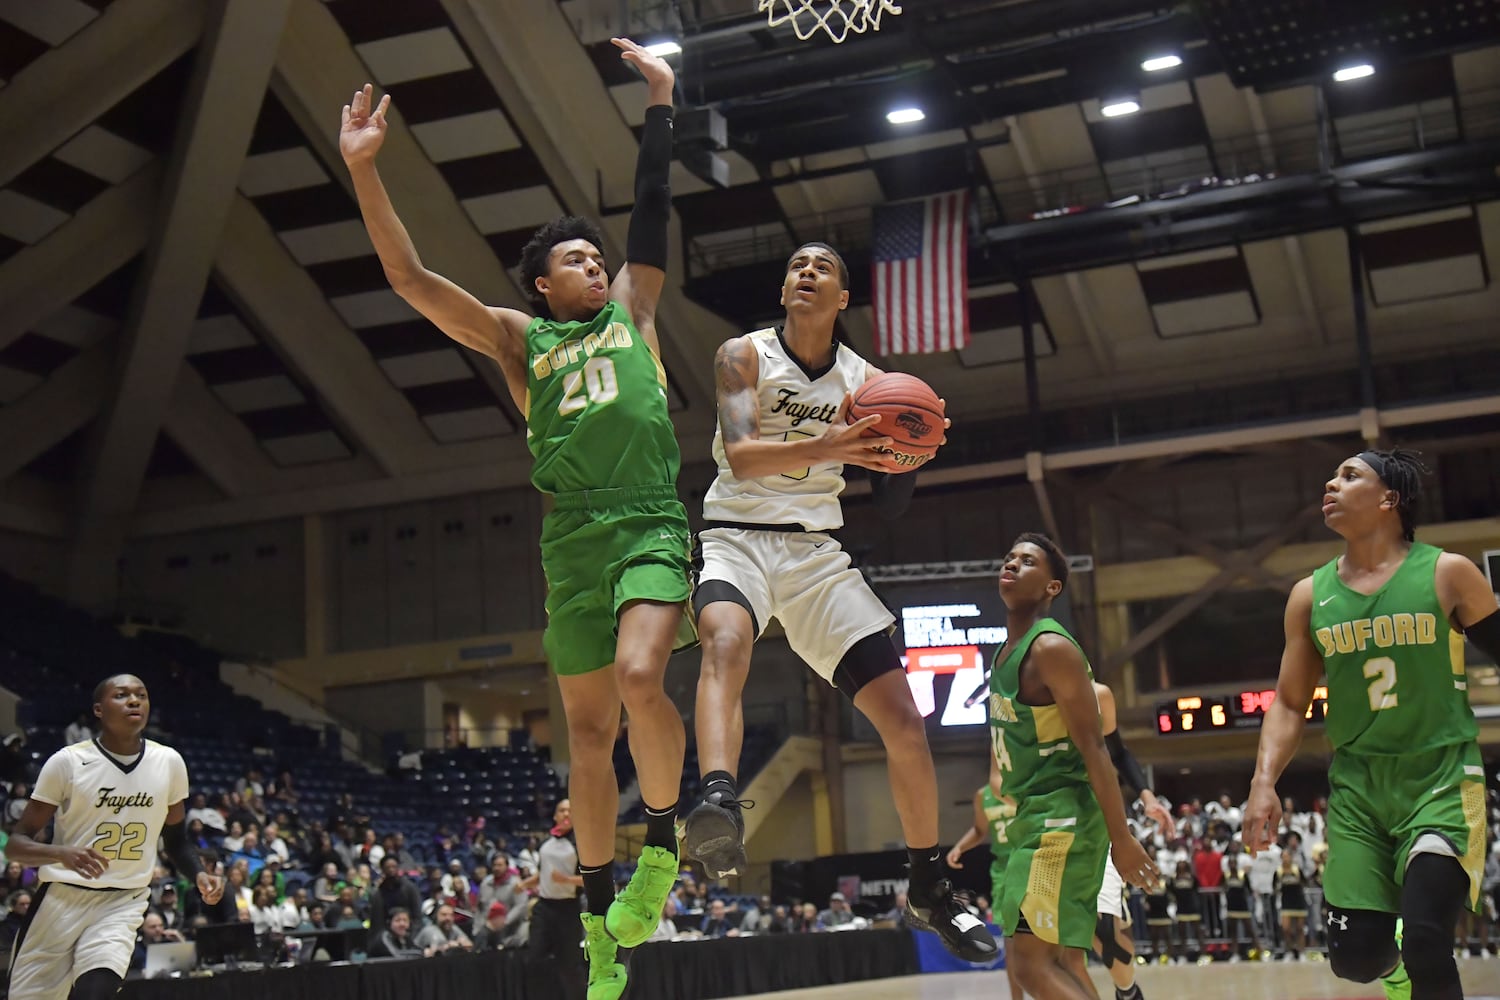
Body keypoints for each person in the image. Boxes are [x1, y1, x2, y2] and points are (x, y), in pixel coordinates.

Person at [341, 39, 689, 1000]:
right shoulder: (517, 338)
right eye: (576, 259)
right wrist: (365, 171)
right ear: (543, 283)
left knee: (639, 674)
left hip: (648, 519)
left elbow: (651, 210)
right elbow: (412, 281)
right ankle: (601, 926)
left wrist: (662, 104)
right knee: (584, 737)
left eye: (597, 255)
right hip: (570, 537)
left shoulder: (633, 313)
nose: (595, 263)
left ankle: (662, 836)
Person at [681, 240, 990, 962]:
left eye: (822, 268)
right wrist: (839, 447)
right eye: (795, 265)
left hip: (816, 554)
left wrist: (913, 450)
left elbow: (889, 503)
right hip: (736, 535)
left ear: (843, 299)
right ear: (785, 287)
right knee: (726, 644)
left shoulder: (869, 381)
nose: (806, 273)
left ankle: (929, 886)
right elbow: (742, 454)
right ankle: (720, 799)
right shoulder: (741, 355)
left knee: (905, 721)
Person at [1244, 449, 1500, 1000]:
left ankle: (1415, 953)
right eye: (1333, 475)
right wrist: (1263, 783)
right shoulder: (1310, 596)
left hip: (1441, 777)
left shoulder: (1448, 573)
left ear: (1390, 499)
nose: (1330, 483)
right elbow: (1289, 704)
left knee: (1428, 939)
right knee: (1357, 960)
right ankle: (1396, 970)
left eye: (1349, 475)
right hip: (1359, 788)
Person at [985, 534, 1157, 1000]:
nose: (1013, 564)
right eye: (1010, 557)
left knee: (1030, 964)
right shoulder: (1004, 654)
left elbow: (1096, 748)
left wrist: (1121, 839)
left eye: (1027, 561)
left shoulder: (1050, 648)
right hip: (1035, 817)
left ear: (1052, 587)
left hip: (1060, 821)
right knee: (1061, 960)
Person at [4, 675, 224, 1000]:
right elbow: (15, 845)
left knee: (97, 992)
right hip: (61, 899)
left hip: (123, 900)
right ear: (98, 709)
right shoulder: (68, 762)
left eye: (141, 695)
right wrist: (61, 854)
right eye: (121, 695)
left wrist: (199, 875)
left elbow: (176, 841)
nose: (134, 701)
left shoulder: (169, 762)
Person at [527, 799, 586, 993]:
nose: (566, 814)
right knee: (535, 959)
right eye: (562, 810)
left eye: (570, 810)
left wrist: (566, 880)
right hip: (544, 907)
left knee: (569, 965)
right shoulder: (545, 843)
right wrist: (524, 884)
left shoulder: (581, 843)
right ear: (555, 816)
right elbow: (542, 872)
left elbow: (592, 879)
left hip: (568, 909)